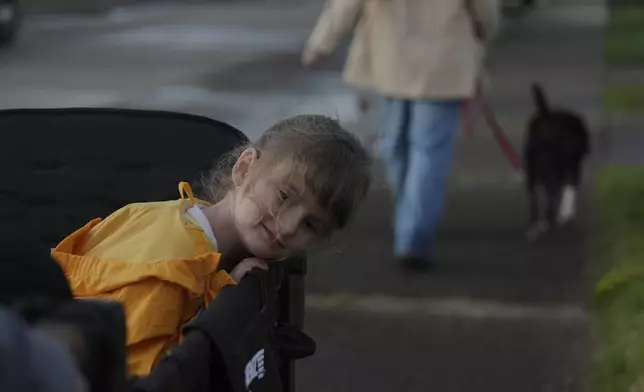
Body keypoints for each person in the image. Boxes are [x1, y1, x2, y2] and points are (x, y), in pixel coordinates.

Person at [52, 114, 372, 376]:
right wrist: (225, 299)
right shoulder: (173, 261)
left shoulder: (185, 225)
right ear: (244, 168)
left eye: (310, 224)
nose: (287, 227)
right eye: (284, 196)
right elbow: (146, 378)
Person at [302, 0, 501, 271]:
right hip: (444, 58)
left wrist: (320, 44)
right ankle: (414, 232)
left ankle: (410, 221)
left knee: (396, 144)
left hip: (389, 57)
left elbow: (345, 4)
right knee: (427, 151)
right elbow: (485, 11)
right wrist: (484, 30)